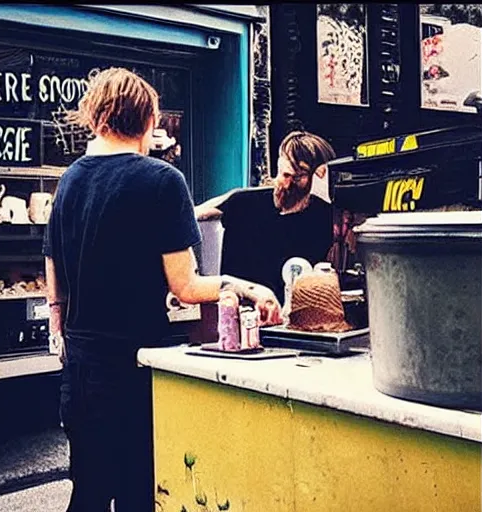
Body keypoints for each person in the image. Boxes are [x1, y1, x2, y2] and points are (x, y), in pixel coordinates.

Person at [43, 67, 282, 512]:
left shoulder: (69, 180)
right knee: (140, 493)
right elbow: (186, 286)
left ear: (95, 117)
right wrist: (247, 288)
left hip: (80, 370)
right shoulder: (161, 180)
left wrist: (60, 327)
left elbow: (52, 264)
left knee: (89, 492)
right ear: (150, 121)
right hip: (134, 368)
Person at [194, 131, 337, 304]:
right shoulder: (243, 201)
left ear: (318, 174)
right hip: (242, 313)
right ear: (279, 165)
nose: (288, 183)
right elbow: (193, 215)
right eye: (285, 174)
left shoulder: (326, 216)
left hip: (298, 317)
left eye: (299, 176)